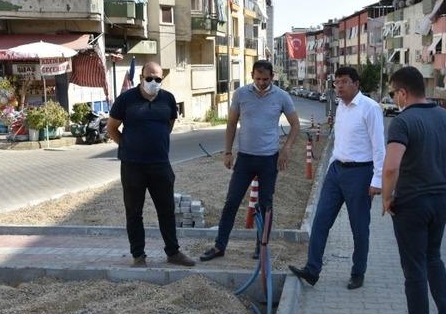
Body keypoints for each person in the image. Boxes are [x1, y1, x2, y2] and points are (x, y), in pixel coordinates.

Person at [380, 66, 446, 314]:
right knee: (433, 257)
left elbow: (392, 167)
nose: (394, 98)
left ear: (404, 93)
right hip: (441, 201)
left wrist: (386, 197)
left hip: (412, 204)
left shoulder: (403, 122)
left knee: (414, 266)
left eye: (394, 93)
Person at [288, 66, 385, 290]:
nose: (338, 86)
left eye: (343, 82)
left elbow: (379, 148)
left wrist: (377, 181)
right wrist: (332, 162)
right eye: (336, 82)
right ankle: (312, 270)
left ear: (356, 84)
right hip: (336, 172)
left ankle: (358, 272)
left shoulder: (370, 108)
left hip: (360, 174)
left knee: (359, 227)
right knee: (320, 221)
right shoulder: (340, 106)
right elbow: (339, 140)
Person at [200, 60, 300, 261]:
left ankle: (260, 246)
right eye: (257, 78)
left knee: (265, 205)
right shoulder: (241, 94)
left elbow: (295, 125)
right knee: (232, 202)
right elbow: (231, 124)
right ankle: (220, 246)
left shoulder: (282, 97)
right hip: (245, 158)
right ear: (252, 76)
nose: (261, 83)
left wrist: (286, 148)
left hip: (269, 159)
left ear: (272, 77)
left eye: (265, 79)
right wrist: (227, 152)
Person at [106, 62, 196, 268]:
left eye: (158, 79)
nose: (153, 82)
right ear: (141, 77)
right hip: (132, 166)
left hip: (160, 164)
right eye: (149, 78)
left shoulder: (168, 99)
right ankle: (138, 255)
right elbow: (112, 128)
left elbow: (169, 126)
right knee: (134, 212)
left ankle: (173, 252)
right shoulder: (126, 99)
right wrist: (128, 146)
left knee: (166, 210)